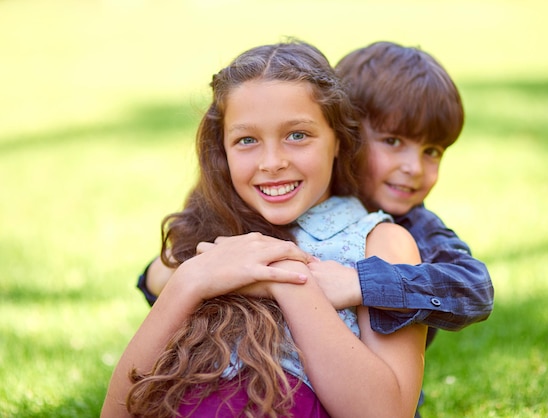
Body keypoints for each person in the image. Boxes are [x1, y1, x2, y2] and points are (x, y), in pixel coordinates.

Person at [101, 40, 426, 418]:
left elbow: (384, 414)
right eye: (247, 140)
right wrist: (191, 280)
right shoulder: (210, 242)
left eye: (297, 135)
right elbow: (119, 411)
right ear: (222, 151)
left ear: (339, 139)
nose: (272, 162)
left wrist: (287, 281)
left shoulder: (381, 244)